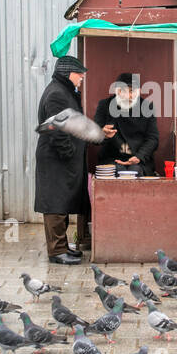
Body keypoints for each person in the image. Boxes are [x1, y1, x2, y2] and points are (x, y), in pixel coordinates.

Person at [34, 55, 107, 264]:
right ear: (69, 73)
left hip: (61, 159)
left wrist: (99, 134)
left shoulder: (63, 91)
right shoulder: (57, 94)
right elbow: (58, 131)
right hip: (56, 159)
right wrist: (68, 153)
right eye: (79, 74)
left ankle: (63, 246)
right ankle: (57, 251)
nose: (82, 77)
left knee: (62, 202)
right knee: (55, 204)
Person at [93, 72, 160, 175]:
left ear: (138, 92)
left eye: (132, 91)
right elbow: (94, 138)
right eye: (123, 91)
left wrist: (139, 156)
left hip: (139, 159)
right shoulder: (104, 105)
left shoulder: (147, 107)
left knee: (135, 171)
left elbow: (153, 138)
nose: (128, 96)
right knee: (117, 170)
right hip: (112, 158)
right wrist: (102, 134)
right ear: (117, 91)